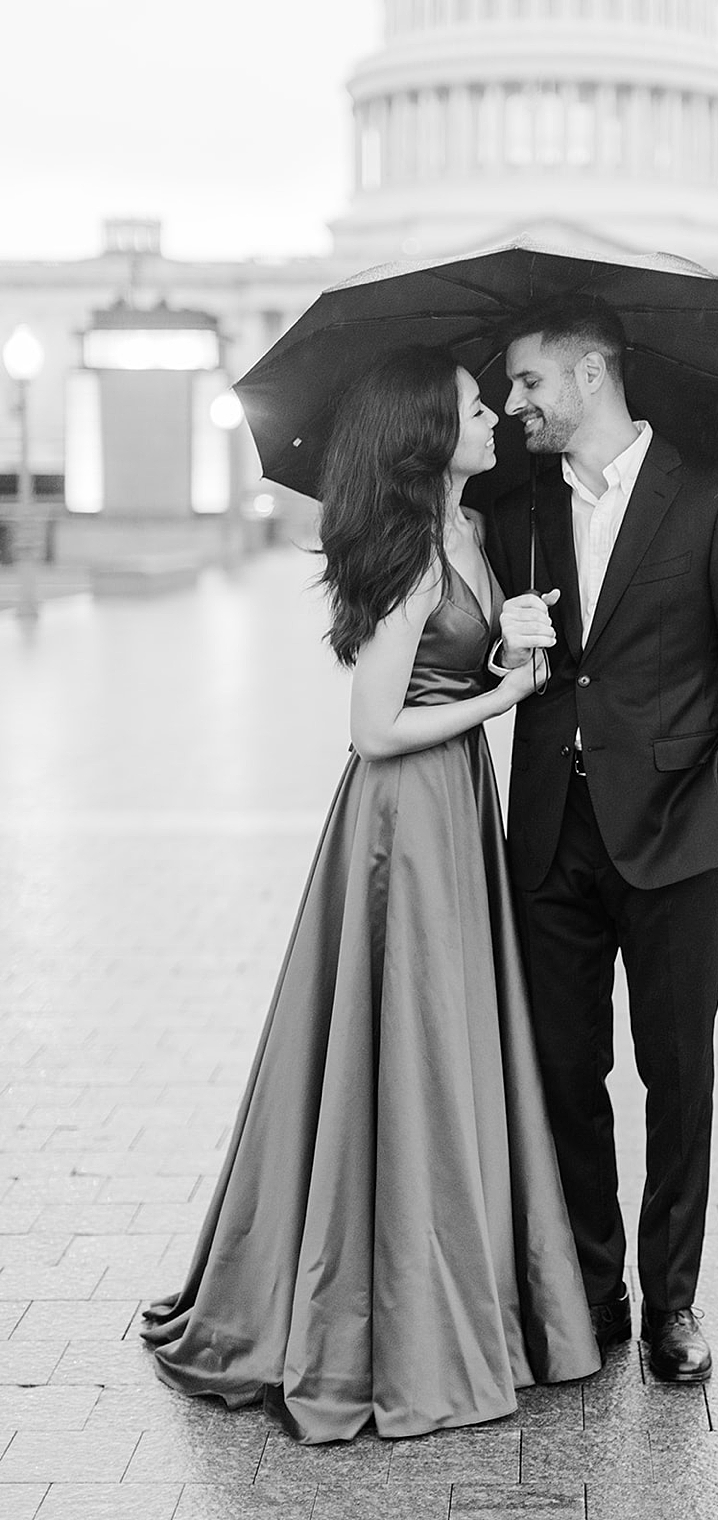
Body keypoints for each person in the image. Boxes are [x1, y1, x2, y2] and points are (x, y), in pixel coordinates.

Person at [141, 346, 600, 1443]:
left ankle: (440, 1283)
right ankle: (397, 1313)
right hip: (404, 813)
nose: (491, 415)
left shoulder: (473, 532)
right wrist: (503, 697)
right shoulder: (404, 561)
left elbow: (461, 667)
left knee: (433, 1042)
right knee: (415, 1041)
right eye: (471, 406)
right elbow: (376, 727)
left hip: (447, 809)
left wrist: (512, 641)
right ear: (424, 435)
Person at [485, 297, 718, 1385]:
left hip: (672, 836)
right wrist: (498, 648)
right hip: (550, 840)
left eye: (526, 382)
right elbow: (466, 629)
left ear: (589, 374)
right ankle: (594, 1297)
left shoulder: (717, 498)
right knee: (566, 1073)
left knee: (678, 1075)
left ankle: (673, 1305)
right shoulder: (509, 502)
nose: (510, 401)